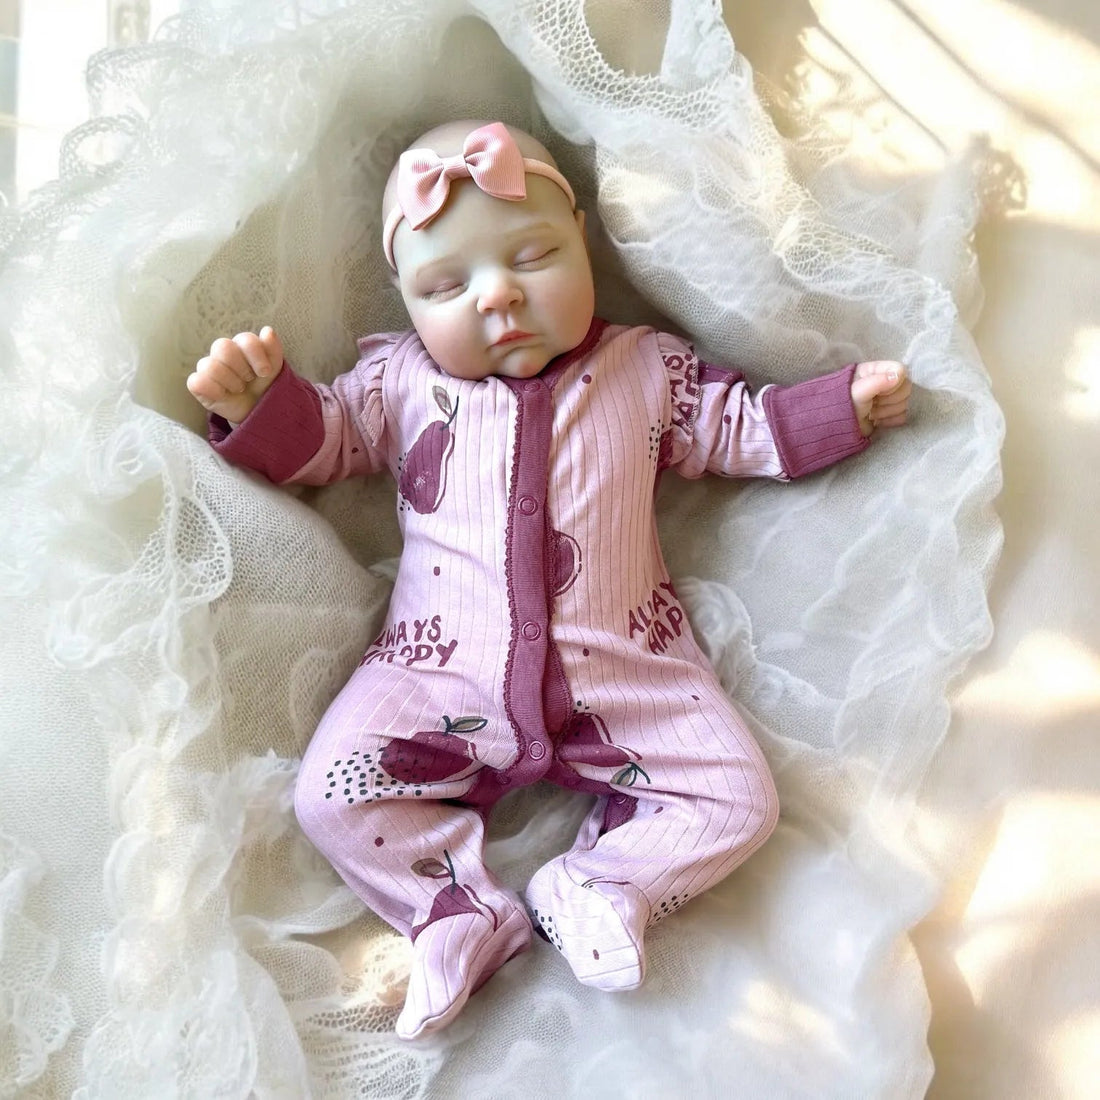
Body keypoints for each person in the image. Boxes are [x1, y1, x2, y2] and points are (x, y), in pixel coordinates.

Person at [186, 120, 912, 1040]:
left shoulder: (646, 369)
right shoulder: (397, 381)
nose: (498, 296)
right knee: (331, 792)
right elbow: (324, 442)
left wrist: (837, 409)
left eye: (533, 257)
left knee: (740, 799)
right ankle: (454, 911)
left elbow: (735, 425)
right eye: (445, 287)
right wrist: (258, 405)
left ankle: (601, 883)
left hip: (631, 673)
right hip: (434, 678)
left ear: (582, 237)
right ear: (406, 299)